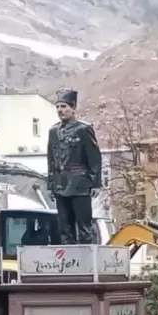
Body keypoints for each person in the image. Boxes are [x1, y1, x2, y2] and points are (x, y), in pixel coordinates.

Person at [47, 89, 102, 244]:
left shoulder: (83, 129)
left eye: (64, 106)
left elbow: (94, 157)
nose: (60, 110)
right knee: (65, 228)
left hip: (80, 183)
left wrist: (96, 183)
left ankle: (87, 261)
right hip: (60, 183)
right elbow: (51, 159)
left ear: (73, 107)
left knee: (84, 227)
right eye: (58, 107)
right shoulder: (53, 131)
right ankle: (70, 262)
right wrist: (51, 184)